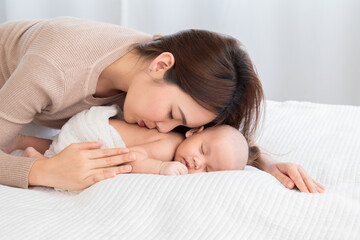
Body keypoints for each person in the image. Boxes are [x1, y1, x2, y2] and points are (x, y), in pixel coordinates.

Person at [0, 17, 322, 193]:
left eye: (179, 125)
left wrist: (262, 162)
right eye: (171, 115)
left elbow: (206, 138)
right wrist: (42, 171)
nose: (168, 129)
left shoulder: (161, 62)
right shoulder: (53, 68)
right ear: (160, 66)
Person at [6, 106, 252, 180]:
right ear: (194, 132)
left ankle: (24, 139)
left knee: (61, 143)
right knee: (73, 172)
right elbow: (131, 158)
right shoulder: (168, 148)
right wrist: (160, 168)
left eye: (207, 169)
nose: (198, 162)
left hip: (90, 124)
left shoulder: (176, 137)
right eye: (203, 150)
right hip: (90, 134)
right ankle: (35, 158)